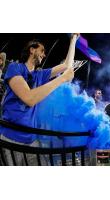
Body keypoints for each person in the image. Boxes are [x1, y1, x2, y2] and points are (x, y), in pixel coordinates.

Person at [0, 34, 79, 165]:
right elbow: (29, 98)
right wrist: (62, 79)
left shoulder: (40, 75)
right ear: (32, 49)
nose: (44, 54)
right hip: (11, 138)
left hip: (31, 139)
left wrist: (74, 39)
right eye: (42, 50)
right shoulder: (16, 67)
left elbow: (66, 65)